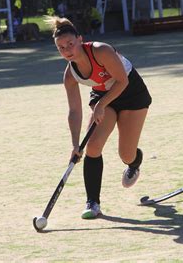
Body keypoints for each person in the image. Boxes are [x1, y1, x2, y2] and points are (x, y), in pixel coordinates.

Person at [45, 16, 152, 219]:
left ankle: (134, 163)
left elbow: (122, 81)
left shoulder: (101, 50)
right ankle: (92, 202)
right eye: (61, 48)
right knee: (92, 146)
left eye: (70, 44)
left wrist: (101, 105)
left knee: (126, 154)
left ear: (80, 39)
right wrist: (76, 145)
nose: (67, 50)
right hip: (103, 96)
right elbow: (74, 111)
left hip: (131, 93)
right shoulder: (70, 75)